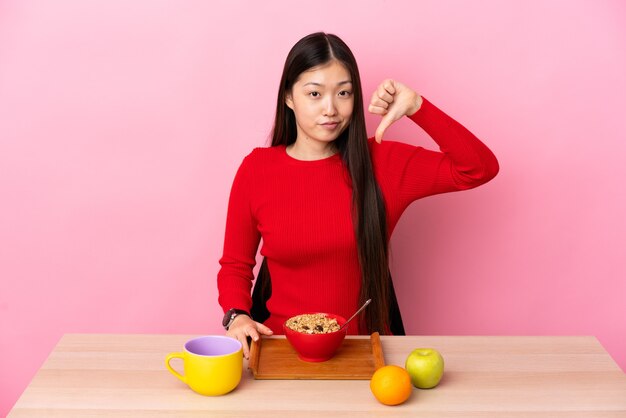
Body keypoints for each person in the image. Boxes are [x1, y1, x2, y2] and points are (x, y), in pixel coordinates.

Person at [217, 32, 499, 359]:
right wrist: (236, 315)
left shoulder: (383, 163)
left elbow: (478, 168)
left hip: (366, 353)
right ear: (289, 98)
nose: (331, 108)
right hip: (281, 349)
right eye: (314, 93)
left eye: (344, 93)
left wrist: (417, 106)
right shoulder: (257, 169)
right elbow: (235, 265)